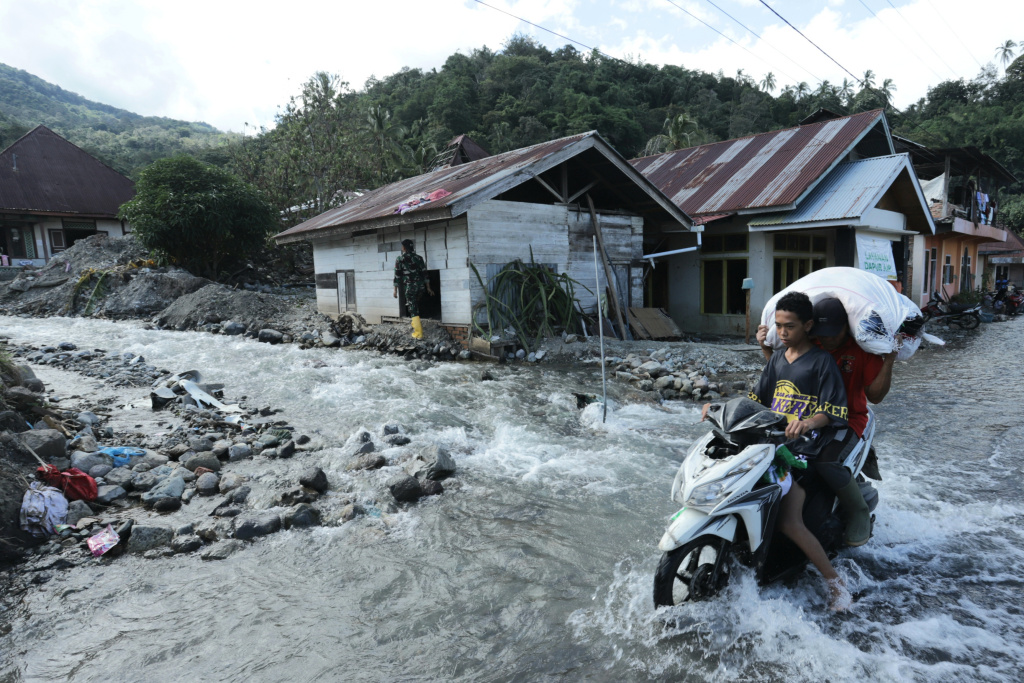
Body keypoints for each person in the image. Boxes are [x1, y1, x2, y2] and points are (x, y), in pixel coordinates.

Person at [705, 291, 851, 611]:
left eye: (790, 326)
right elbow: (755, 400)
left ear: (808, 326)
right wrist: (720, 406)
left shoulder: (822, 362)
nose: (783, 332)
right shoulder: (777, 358)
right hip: (770, 440)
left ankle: (836, 584)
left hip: (804, 446)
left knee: (789, 521)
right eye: (779, 326)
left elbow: (834, 410)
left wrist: (807, 422)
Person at [756, 297, 895, 546]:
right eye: (823, 333)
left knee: (826, 461)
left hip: (846, 419)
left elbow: (875, 396)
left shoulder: (860, 351)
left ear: (846, 327)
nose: (828, 339)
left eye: (834, 333)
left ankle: (858, 511)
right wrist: (767, 348)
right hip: (805, 414)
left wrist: (889, 361)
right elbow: (787, 376)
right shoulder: (812, 343)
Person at [392, 239, 434, 340]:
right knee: (415, 305)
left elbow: (397, 276)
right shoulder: (419, 258)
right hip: (420, 287)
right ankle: (415, 322)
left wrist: (395, 290)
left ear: (404, 248)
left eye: (402, 246)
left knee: (413, 308)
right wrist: (428, 288)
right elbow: (425, 274)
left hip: (410, 288)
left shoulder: (400, 259)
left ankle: (418, 333)